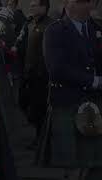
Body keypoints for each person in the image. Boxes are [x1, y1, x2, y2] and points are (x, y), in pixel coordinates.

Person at [38, 0, 102, 179]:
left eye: (88, 2)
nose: (87, 6)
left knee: (93, 163)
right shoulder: (55, 31)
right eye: (81, 2)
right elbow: (56, 69)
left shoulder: (97, 29)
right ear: (68, 4)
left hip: (95, 103)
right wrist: (93, 81)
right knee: (72, 164)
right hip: (67, 102)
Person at [19, 0, 53, 150]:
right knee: (24, 103)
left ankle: (41, 139)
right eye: (31, 5)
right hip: (28, 73)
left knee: (39, 108)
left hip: (41, 76)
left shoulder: (50, 26)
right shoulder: (30, 24)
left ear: (44, 7)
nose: (31, 8)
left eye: (34, 5)